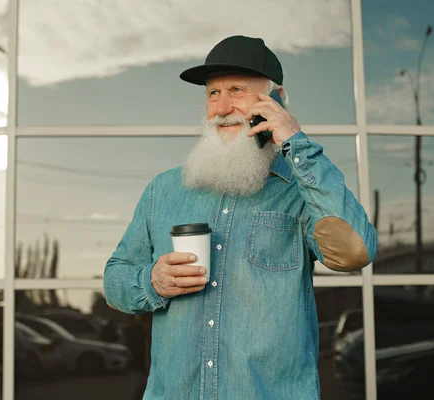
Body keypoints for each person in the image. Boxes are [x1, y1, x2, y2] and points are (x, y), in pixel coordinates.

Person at [104, 35, 378, 400]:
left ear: (277, 100)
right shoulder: (164, 190)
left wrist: (296, 143)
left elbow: (355, 251)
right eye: (213, 94)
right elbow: (115, 279)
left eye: (237, 89)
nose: (221, 108)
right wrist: (151, 281)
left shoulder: (303, 190)